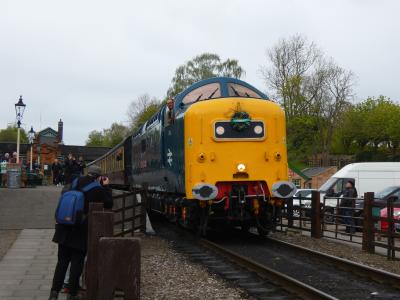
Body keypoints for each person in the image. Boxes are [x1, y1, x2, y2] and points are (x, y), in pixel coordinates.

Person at [48, 165, 113, 300]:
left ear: (87, 173)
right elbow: (109, 203)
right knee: (77, 263)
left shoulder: (74, 182)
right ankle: (72, 294)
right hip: (79, 230)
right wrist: (106, 187)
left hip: (63, 227)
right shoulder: (97, 189)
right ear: (99, 177)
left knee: (62, 262)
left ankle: (54, 293)